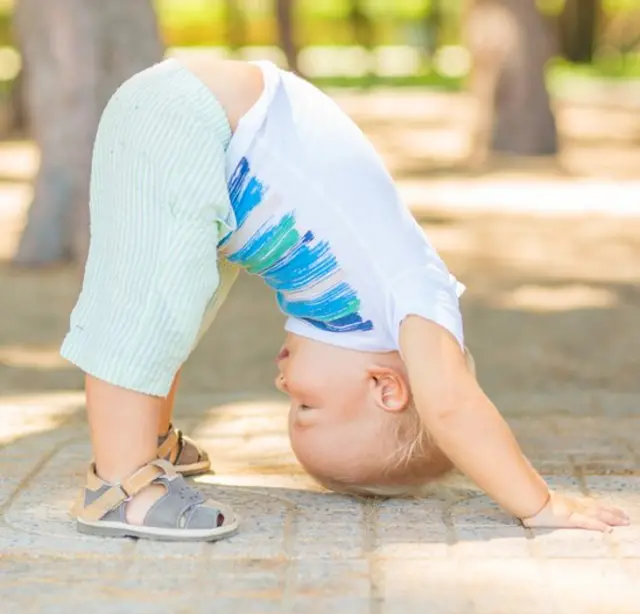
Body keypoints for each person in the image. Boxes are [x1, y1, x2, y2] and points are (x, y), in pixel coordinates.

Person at [62, 57, 629, 542]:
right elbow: (453, 406)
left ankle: (147, 440)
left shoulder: (361, 312)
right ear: (387, 387)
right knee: (151, 301)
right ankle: (121, 482)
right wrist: (538, 503)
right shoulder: (413, 301)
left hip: (201, 129)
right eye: (306, 406)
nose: (283, 386)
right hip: (193, 120)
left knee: (179, 303)